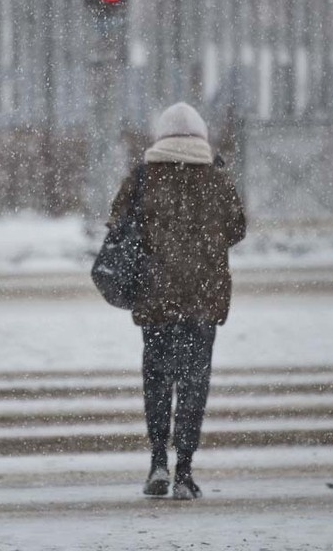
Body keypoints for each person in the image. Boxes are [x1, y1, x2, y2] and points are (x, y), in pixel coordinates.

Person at [107, 102, 246, 500]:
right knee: (193, 383)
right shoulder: (217, 179)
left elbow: (117, 223)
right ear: (201, 136)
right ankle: (185, 472)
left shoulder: (143, 178)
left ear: (161, 137)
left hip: (156, 298)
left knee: (156, 379)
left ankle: (157, 463)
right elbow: (237, 228)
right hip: (203, 299)